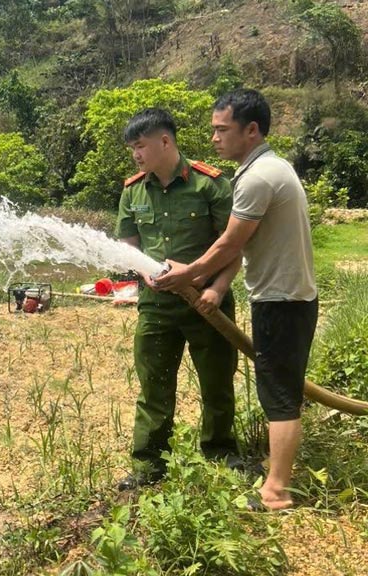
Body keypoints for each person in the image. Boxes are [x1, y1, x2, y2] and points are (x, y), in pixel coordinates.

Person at [155, 89, 318, 511]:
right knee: (281, 386)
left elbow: (230, 244)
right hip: (288, 296)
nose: (213, 138)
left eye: (221, 130)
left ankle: (276, 491)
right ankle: (277, 470)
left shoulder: (258, 177)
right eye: (212, 130)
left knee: (279, 394)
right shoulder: (268, 168)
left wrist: (188, 275)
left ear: (251, 130)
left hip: (282, 300)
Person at [115, 108, 242, 491]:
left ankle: (220, 453)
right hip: (156, 307)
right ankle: (148, 466)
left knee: (217, 382)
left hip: (208, 303)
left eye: (140, 146)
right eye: (132, 149)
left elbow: (232, 246)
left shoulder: (210, 185)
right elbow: (128, 245)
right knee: (154, 386)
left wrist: (216, 289)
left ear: (165, 141)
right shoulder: (133, 189)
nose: (136, 155)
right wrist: (144, 275)